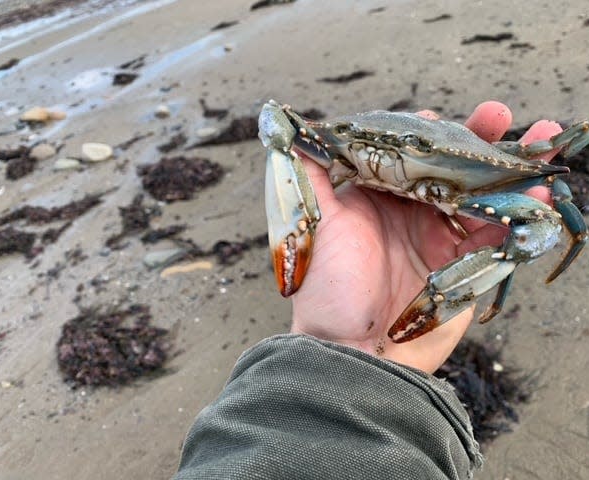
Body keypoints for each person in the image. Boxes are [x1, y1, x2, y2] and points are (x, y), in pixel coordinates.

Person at [174, 102, 563, 479]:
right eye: (353, 137)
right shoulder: (320, 143)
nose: (383, 159)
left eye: (420, 150)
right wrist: (341, 340)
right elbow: (276, 118)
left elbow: (542, 225)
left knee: (540, 217)